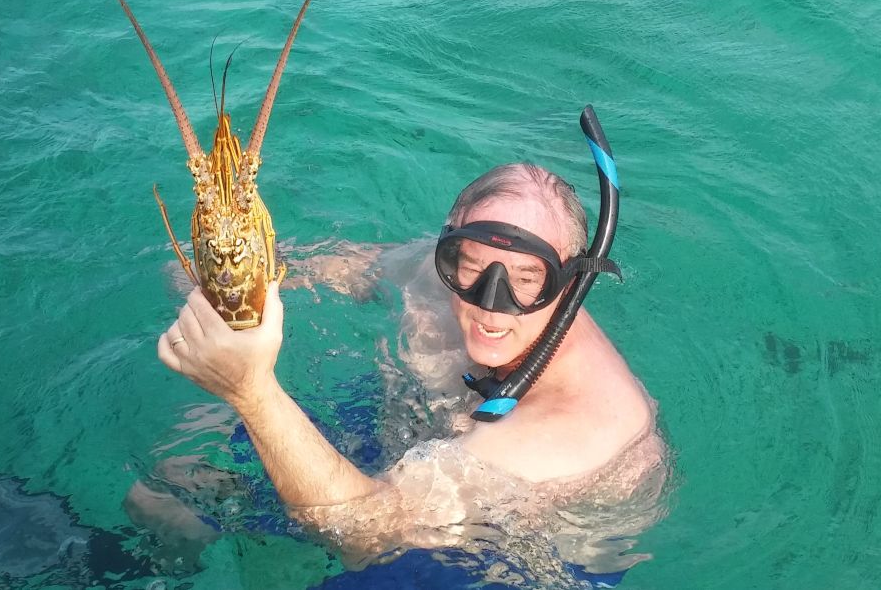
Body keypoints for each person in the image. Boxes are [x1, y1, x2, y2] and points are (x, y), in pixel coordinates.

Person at [155, 162, 668, 583]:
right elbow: (351, 268)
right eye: (470, 267)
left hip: (511, 558)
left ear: (571, 282)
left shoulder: (579, 423)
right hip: (429, 455)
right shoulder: (436, 274)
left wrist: (252, 391)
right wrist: (238, 281)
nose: (491, 302)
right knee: (171, 486)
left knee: (293, 569)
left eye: (528, 278)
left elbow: (361, 533)